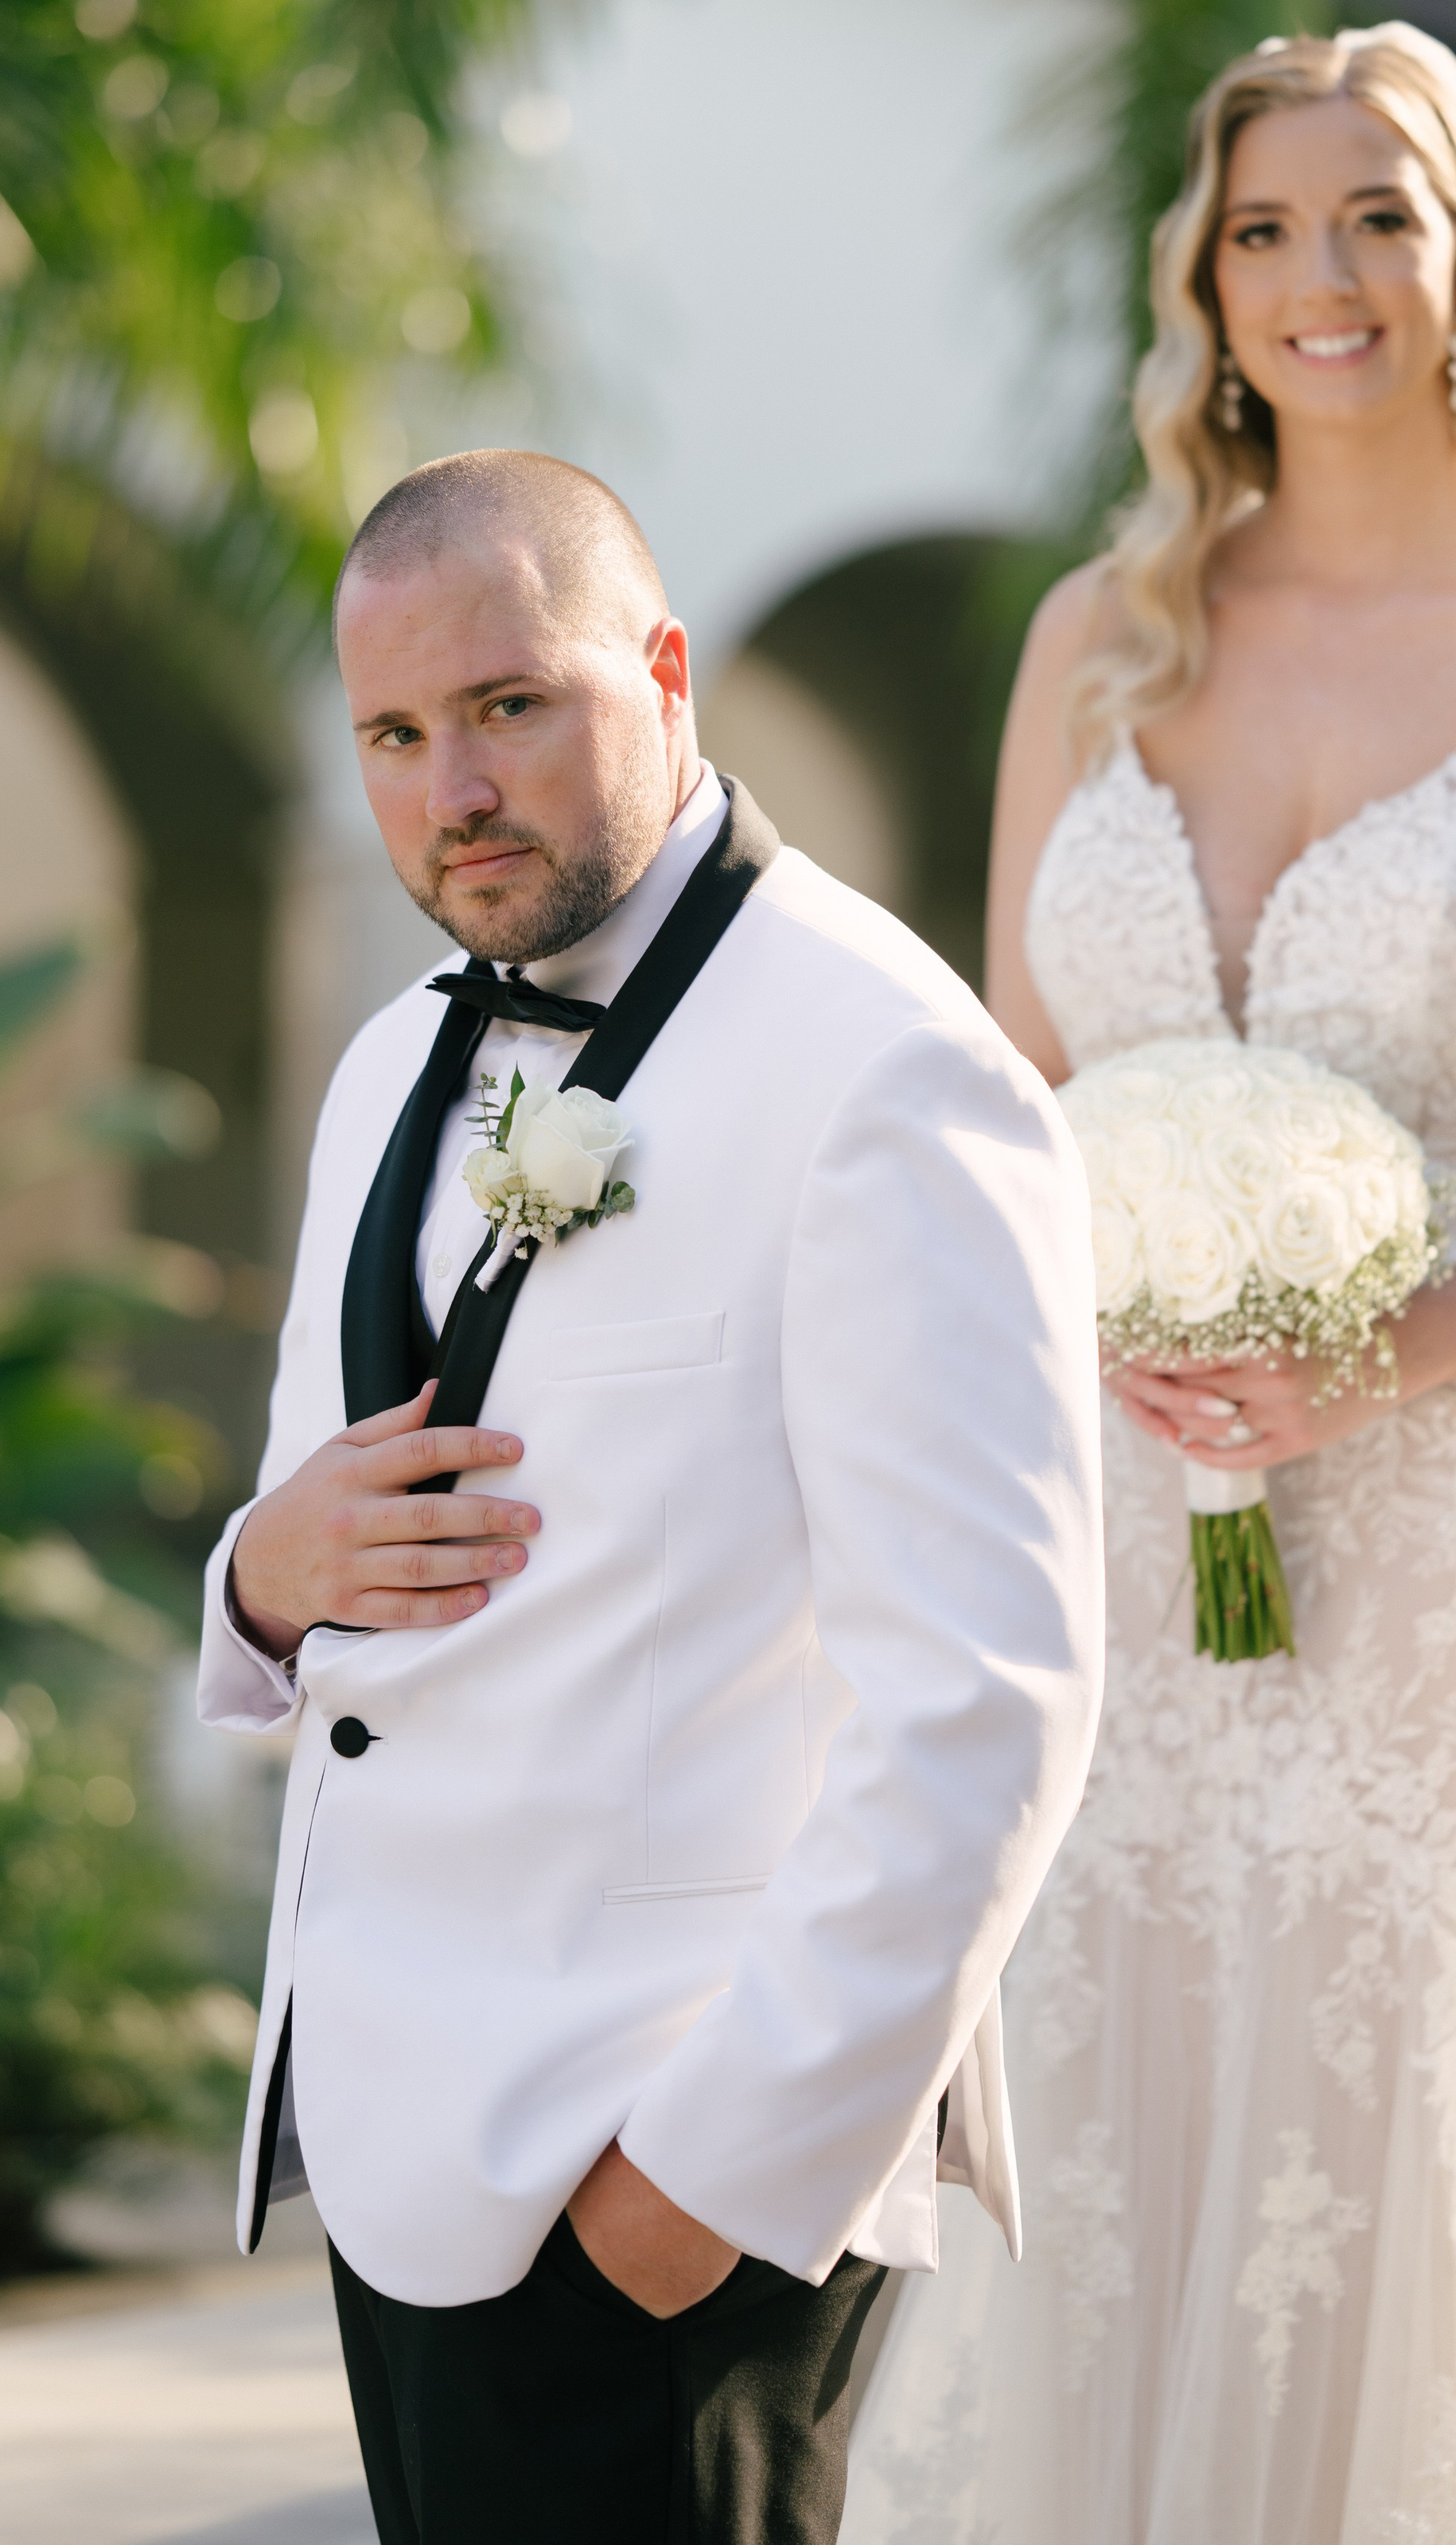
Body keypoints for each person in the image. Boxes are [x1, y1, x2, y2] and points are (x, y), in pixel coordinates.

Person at [844, 27, 1456, 2542]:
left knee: (1416, 2176)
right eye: (1266, 231)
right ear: (1205, 281)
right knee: (1113, 2142)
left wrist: (1414, 1341)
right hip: (1131, 1560)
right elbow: (1018, 1098)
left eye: (1379, 217)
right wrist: (1103, 1326)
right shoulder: (1105, 631)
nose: (1324, 279)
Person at [196, 449, 1105, 2545]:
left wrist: (709, 2182)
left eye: (512, 705)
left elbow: (989, 1701)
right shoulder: (391, 1059)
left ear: (667, 673)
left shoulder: (888, 1068)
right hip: (402, 2146)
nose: (455, 788)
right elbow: (302, 1545)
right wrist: (259, 1579)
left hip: (668, 2166)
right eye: (398, 737)